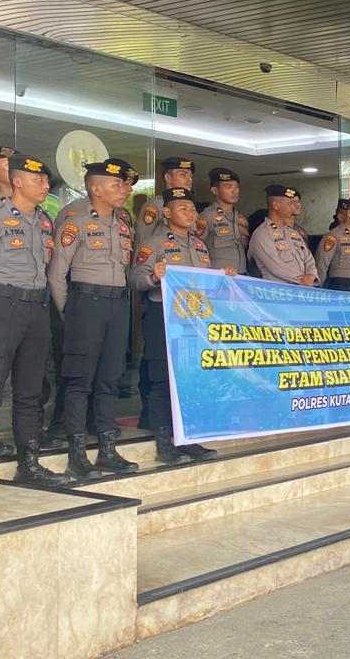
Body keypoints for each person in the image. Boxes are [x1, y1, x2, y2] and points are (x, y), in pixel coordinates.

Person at [0, 154, 69, 487]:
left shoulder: (44, 221)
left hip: (37, 308)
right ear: (18, 180)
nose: (45, 186)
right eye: (37, 180)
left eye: (47, 181)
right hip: (2, 303)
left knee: (30, 390)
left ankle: (29, 460)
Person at [48, 159, 140, 479]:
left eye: (124, 185)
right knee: (79, 379)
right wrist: (68, 313)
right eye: (116, 185)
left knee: (110, 378)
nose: (125, 190)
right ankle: (76, 451)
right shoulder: (74, 217)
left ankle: (106, 448)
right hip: (85, 302)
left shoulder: (123, 220)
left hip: (118, 304)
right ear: (95, 188)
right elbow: (58, 273)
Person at [132, 188, 223, 465]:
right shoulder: (155, 244)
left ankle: (187, 438)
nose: (191, 213)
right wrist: (154, 277)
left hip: (192, 320)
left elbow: (206, 282)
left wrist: (224, 278)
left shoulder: (199, 246)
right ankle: (164, 442)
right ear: (167, 213)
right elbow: (135, 279)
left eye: (193, 209)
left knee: (189, 380)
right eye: (183, 208)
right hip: (163, 316)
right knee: (161, 380)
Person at [248, 184, 318, 286]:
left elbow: (308, 257)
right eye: (290, 203)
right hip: (279, 292)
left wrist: (311, 275)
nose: (294, 206)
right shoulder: (262, 234)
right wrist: (302, 279)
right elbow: (275, 266)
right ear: (275, 205)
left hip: (302, 288)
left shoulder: (293, 232)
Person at [198, 167, 249, 275]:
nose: (234, 191)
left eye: (236, 187)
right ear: (215, 190)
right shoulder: (207, 216)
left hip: (241, 275)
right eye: (228, 187)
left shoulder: (240, 218)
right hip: (219, 275)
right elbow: (197, 248)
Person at [135, 156, 194, 245]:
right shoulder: (156, 205)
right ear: (168, 178)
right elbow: (142, 241)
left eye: (190, 176)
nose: (189, 180)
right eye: (183, 175)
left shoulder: (191, 208)